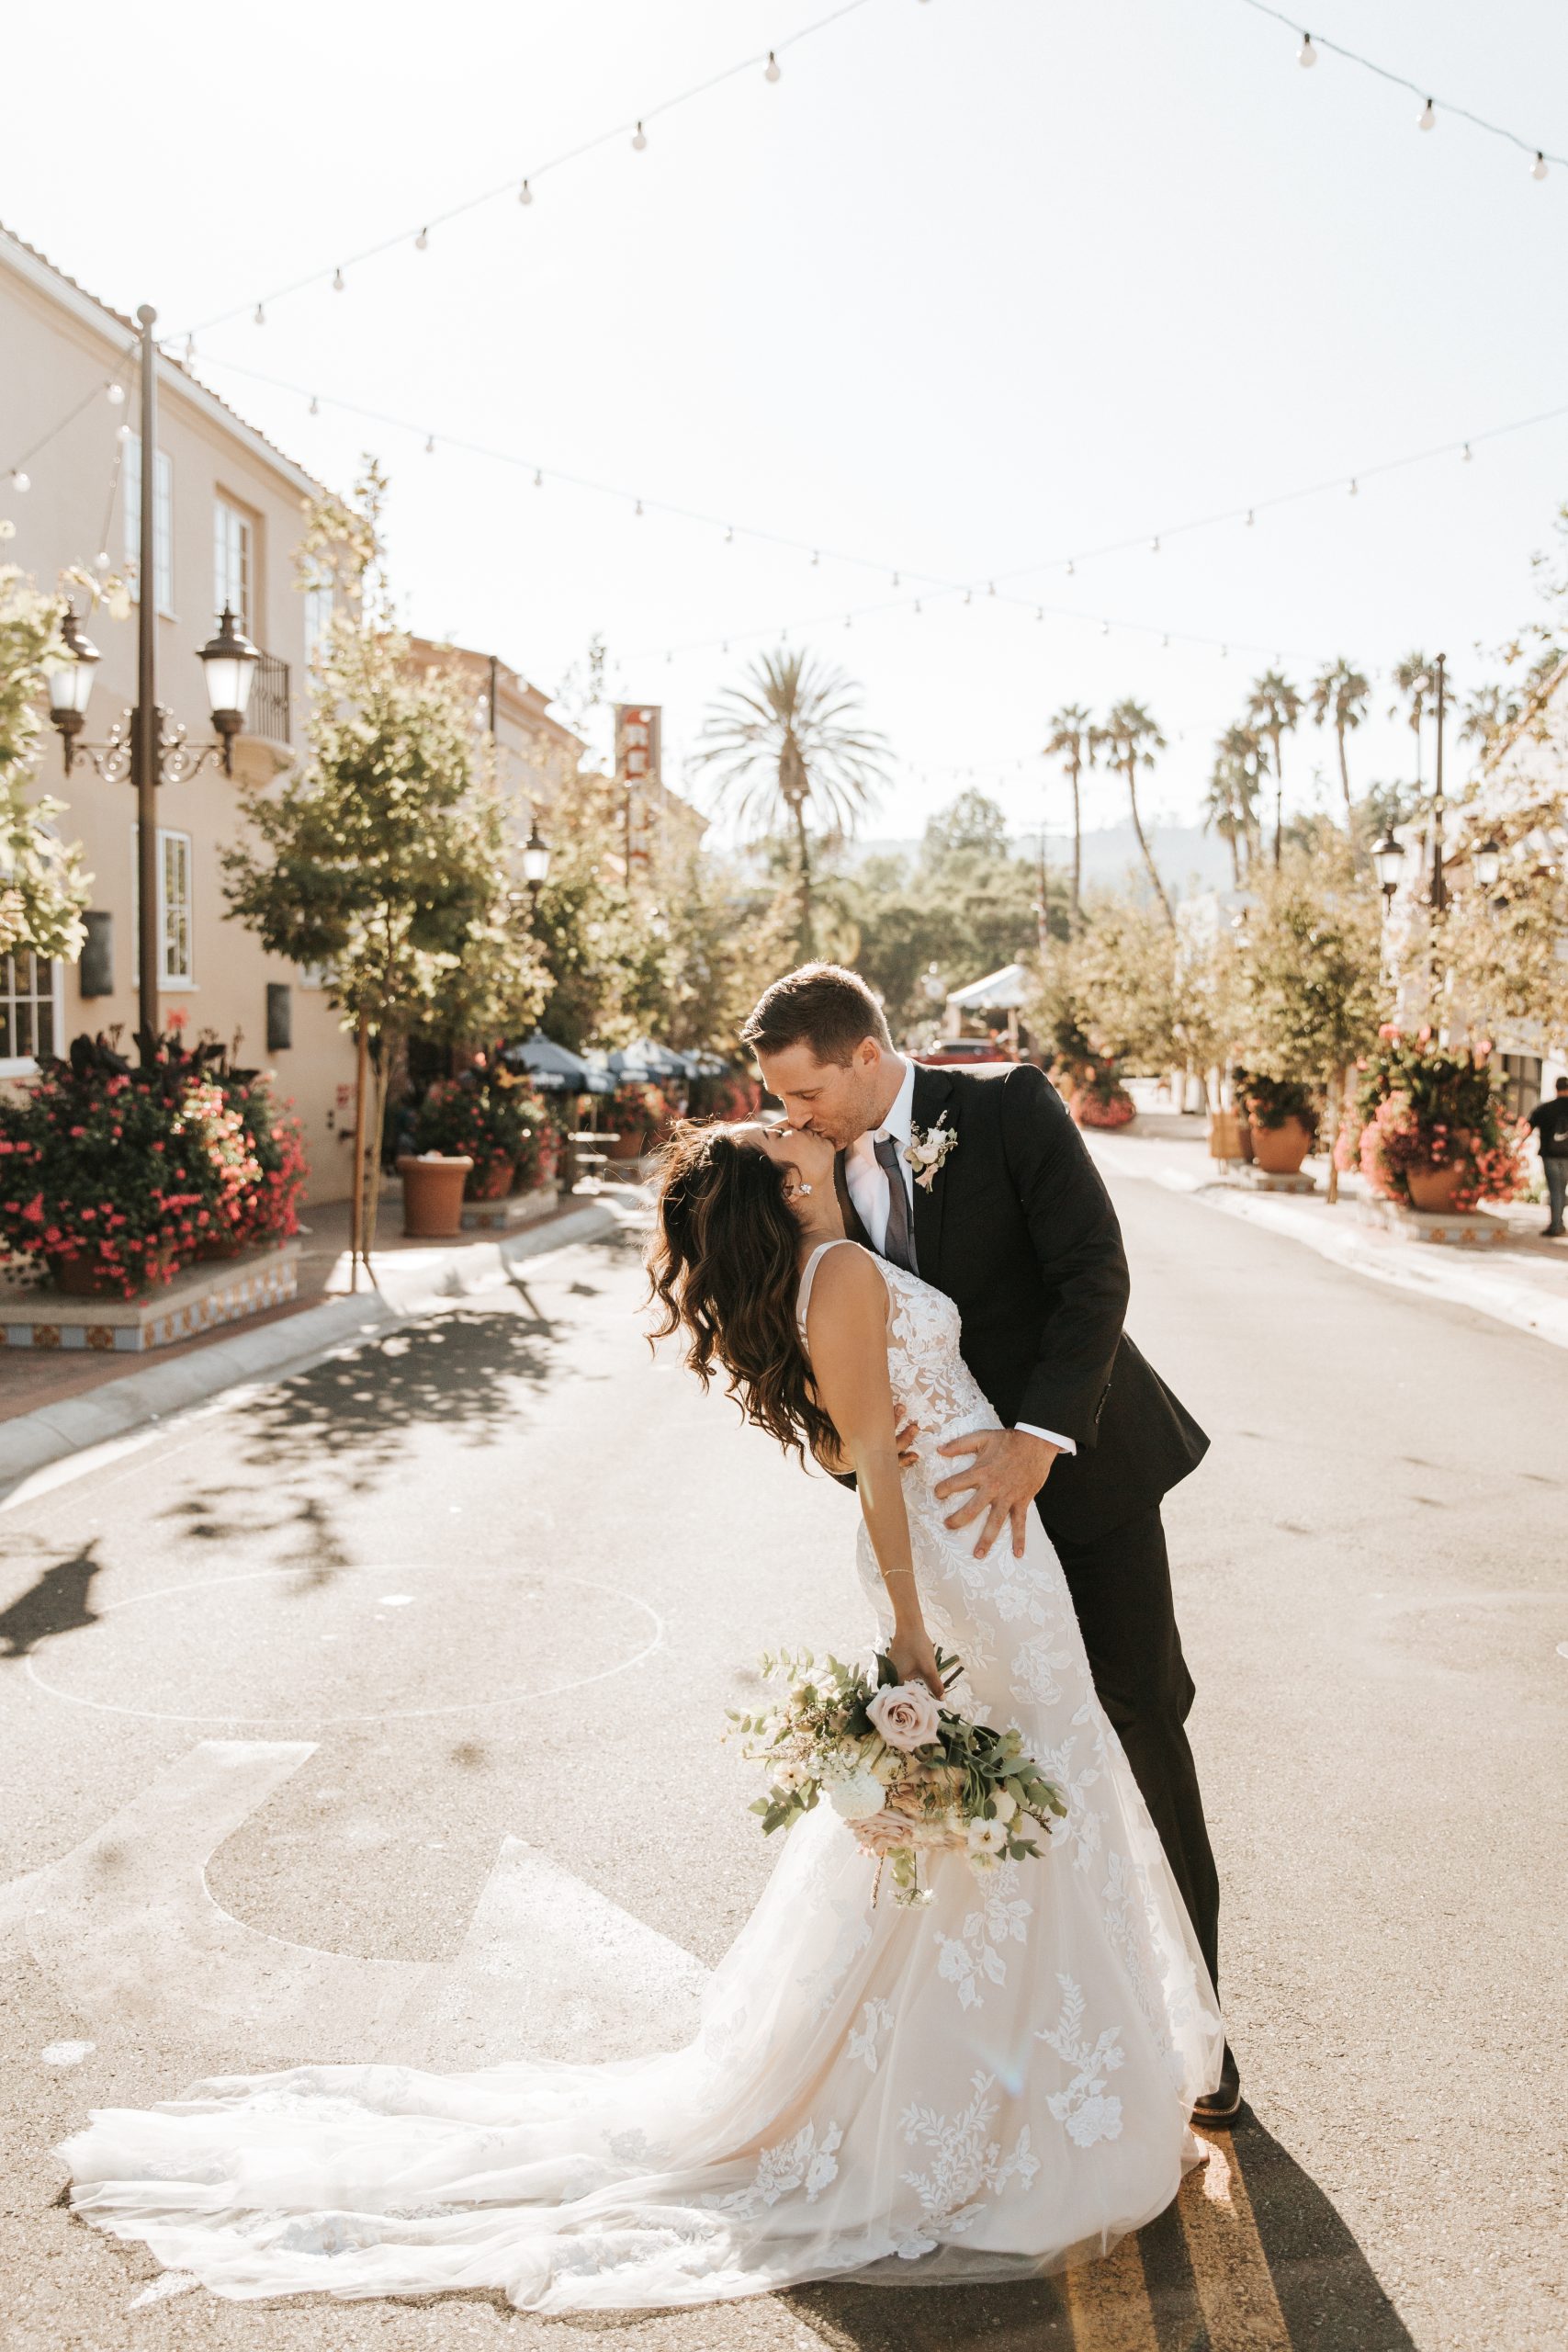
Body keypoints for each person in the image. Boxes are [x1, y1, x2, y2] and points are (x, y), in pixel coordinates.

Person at [59, 1114, 1222, 2314]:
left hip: (991, 1552)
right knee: (1011, 1817)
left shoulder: (841, 1264)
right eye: (789, 1144)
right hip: (958, 1575)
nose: (810, 1136)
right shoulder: (835, 1276)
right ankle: (1000, 2111)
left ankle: (1036, 2084)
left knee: (1020, 1815)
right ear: (782, 1193)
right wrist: (914, 1629)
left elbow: (873, 1426)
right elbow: (869, 1458)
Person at [740, 963, 1236, 2118]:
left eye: (805, 1091)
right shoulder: (800, 1170)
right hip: (955, 1529)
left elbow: (1092, 1274)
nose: (789, 1115)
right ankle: (1034, 2049)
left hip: (1088, 1472)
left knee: (1139, 1719)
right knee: (993, 1762)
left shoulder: (1009, 1106)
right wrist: (845, 1445)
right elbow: (814, 1341)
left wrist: (1038, 1439)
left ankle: (1204, 2038)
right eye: (776, 1097)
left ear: (867, 1054)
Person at [1527, 1075, 1568, 1238]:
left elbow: (1528, 1126)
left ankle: (1556, 1225)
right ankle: (1558, 1223)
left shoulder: (1545, 1108)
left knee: (1555, 1190)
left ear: (1556, 1088)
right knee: (1561, 1190)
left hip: (1550, 1155)